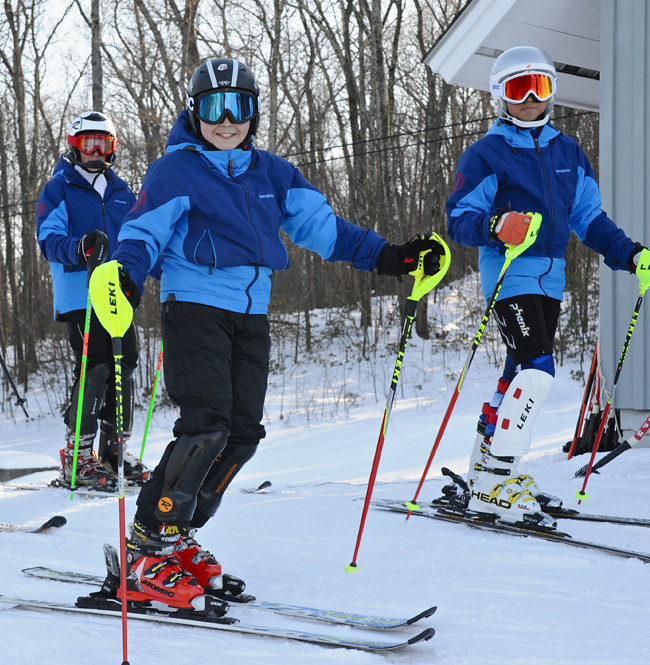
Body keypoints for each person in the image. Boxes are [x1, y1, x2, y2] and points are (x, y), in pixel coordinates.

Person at [103, 57, 444, 610]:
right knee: (205, 426)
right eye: (214, 107)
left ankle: (179, 532)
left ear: (254, 112)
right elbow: (141, 233)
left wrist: (393, 257)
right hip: (193, 305)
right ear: (195, 112)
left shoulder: (272, 173)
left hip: (251, 313)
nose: (227, 119)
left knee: (241, 434)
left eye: (239, 106)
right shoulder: (176, 171)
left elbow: (325, 230)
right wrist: (123, 275)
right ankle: (149, 544)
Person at [445, 46, 650, 527]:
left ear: (551, 92)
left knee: (516, 374)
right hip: (508, 276)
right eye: (516, 89)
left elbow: (588, 218)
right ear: (500, 96)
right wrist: (496, 225)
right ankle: (499, 479)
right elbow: (460, 219)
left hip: (550, 278)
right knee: (537, 372)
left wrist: (631, 255)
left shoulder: (568, 152)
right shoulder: (486, 154)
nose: (529, 99)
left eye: (538, 87)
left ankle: (487, 466)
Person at [35, 111, 150, 492]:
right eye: (89, 144)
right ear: (74, 147)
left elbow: (139, 238)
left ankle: (114, 450)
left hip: (117, 293)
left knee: (127, 362)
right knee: (97, 364)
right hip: (79, 292)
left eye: (105, 143)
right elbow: (48, 240)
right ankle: (78, 453)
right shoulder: (59, 188)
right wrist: (78, 247)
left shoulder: (122, 192)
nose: (97, 151)